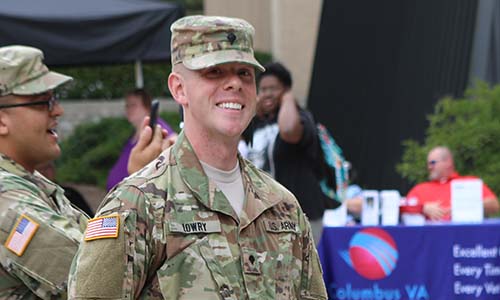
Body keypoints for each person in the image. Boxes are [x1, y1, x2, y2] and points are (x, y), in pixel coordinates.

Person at [68, 15, 327, 299]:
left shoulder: (282, 205)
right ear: (179, 88)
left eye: (244, 73)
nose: (234, 84)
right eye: (214, 72)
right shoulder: (138, 204)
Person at [0, 45, 167, 299]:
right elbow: (99, 284)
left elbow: (98, 245)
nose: (58, 111)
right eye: (44, 101)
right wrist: (138, 187)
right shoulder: (8, 201)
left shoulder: (31, 181)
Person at [243, 62, 327, 245]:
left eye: (273, 88)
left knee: (298, 271)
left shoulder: (301, 118)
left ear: (286, 89)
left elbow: (289, 131)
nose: (267, 94)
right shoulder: (256, 124)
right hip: (265, 214)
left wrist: (288, 98)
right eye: (263, 89)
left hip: (301, 214)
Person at [106, 88, 177, 191]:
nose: (128, 109)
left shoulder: (157, 128)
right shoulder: (134, 134)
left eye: (133, 105)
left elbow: (175, 140)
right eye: (127, 105)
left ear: (147, 107)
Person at [406, 146, 500, 221]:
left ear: (448, 162)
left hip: (465, 239)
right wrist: (422, 208)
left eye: (433, 163)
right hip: (432, 240)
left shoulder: (469, 182)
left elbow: (495, 206)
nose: (429, 167)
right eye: (428, 164)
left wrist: (465, 205)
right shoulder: (420, 189)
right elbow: (401, 208)